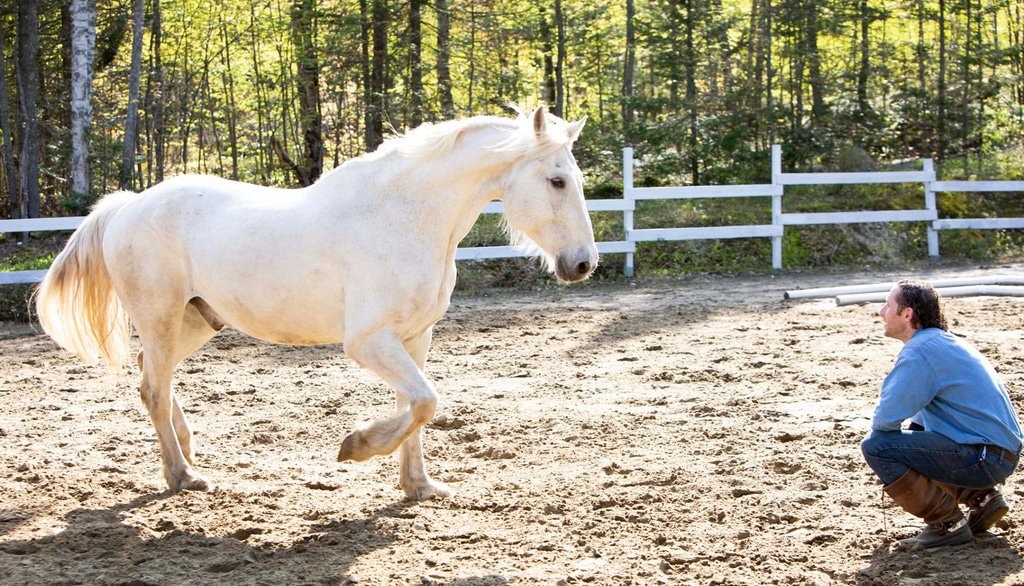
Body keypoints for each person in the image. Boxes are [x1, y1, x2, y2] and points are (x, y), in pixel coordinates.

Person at [861, 279, 1022, 549]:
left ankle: (947, 525)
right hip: (998, 453)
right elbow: (920, 423)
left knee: (877, 446)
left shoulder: (919, 351)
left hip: (984, 457)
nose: (881, 312)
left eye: (888, 305)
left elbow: (884, 420)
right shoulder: (944, 342)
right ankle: (981, 498)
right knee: (912, 435)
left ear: (907, 314)